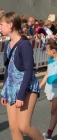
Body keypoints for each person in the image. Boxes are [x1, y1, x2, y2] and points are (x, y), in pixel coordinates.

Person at [0, 12, 44, 140]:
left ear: (10, 25)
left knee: (24, 126)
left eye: (1, 24)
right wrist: (4, 91)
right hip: (12, 87)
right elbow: (8, 69)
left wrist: (20, 95)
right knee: (14, 127)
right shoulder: (8, 44)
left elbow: (29, 71)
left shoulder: (24, 45)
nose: (0, 27)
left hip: (27, 87)